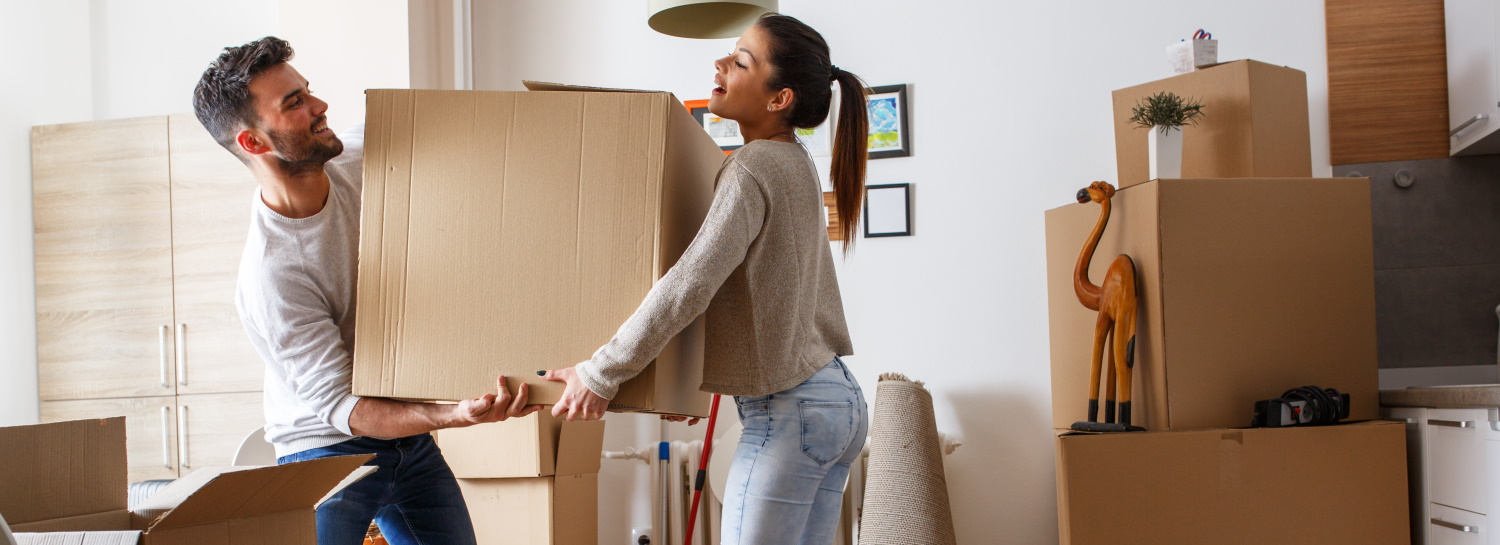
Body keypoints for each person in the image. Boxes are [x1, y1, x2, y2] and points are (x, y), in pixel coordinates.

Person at [193, 36, 538, 545]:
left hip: (406, 441)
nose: (319, 105)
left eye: (307, 91)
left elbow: (446, 128)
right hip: (324, 451)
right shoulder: (274, 273)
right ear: (254, 143)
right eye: (294, 103)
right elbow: (343, 407)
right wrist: (454, 414)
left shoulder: (361, 159)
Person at [540, 13, 871, 544]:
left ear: (778, 98)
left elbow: (690, 285)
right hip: (835, 402)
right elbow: (759, 293)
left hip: (789, 413)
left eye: (741, 61)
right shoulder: (794, 161)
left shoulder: (752, 167)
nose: (720, 64)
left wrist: (600, 373)